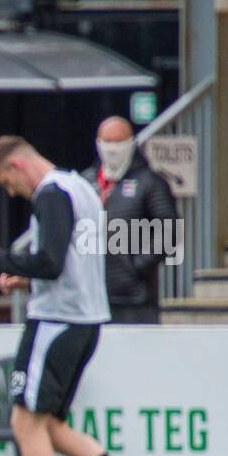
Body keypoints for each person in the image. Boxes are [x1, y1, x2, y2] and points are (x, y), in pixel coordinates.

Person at [0, 136, 154, 456]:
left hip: (56, 322)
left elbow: (51, 262)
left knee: (23, 422)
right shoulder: (83, 189)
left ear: (17, 165)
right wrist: (25, 277)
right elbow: (68, 261)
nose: (9, 190)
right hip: (87, 321)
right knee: (47, 427)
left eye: (5, 181)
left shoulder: (51, 194)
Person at [79, 116, 176, 324]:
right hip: (90, 295)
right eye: (108, 142)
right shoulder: (86, 181)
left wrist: (137, 265)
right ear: (98, 143)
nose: (113, 149)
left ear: (132, 142)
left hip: (134, 298)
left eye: (119, 142)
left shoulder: (150, 183)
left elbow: (170, 231)